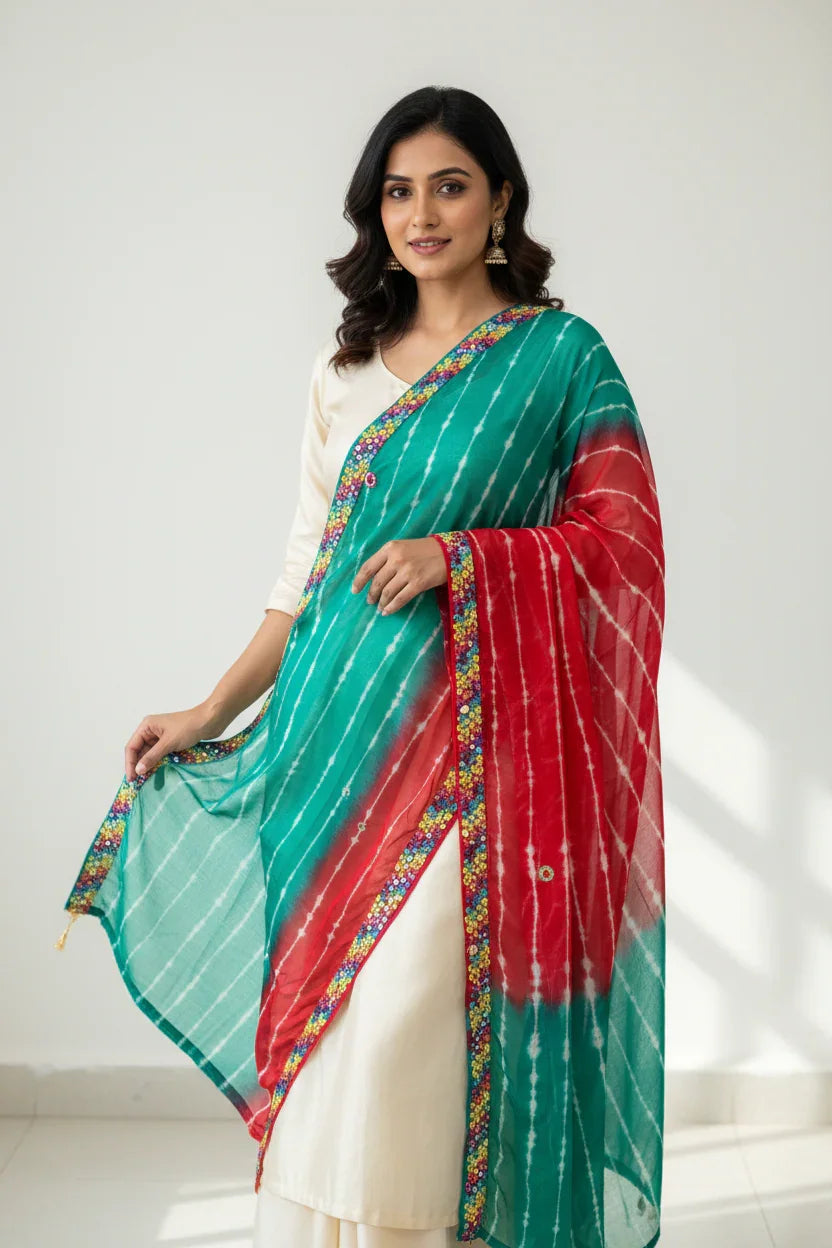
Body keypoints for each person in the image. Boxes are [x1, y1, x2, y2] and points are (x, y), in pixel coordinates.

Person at [57, 86, 666, 1248]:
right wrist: (206, 709)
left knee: (408, 1026)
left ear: (500, 202)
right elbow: (301, 584)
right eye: (397, 190)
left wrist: (462, 557)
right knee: (345, 1030)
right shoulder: (343, 373)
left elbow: (623, 545)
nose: (420, 213)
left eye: (449, 185)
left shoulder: (559, 355)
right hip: (337, 742)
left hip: (485, 756)